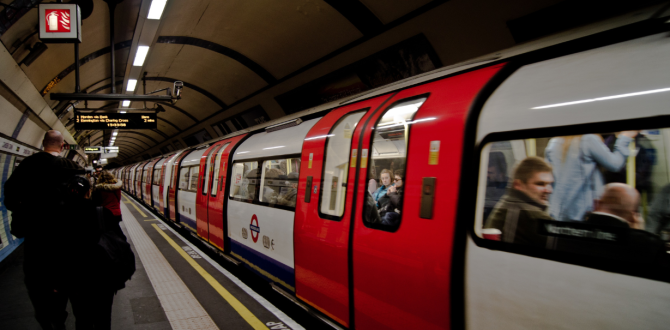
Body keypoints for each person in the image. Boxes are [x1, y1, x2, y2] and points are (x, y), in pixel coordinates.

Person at [4, 130, 83, 330]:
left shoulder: (26, 166)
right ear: (64, 146)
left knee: (38, 284)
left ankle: (50, 322)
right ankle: (63, 314)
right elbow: (84, 206)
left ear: (42, 143)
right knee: (67, 282)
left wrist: (28, 210)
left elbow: (10, 199)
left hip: (36, 241)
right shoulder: (72, 168)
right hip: (68, 242)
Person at [57, 176, 124, 330]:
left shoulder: (58, 216)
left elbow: (54, 251)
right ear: (88, 192)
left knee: (82, 317)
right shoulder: (102, 213)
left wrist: (56, 281)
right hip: (103, 277)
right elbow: (121, 243)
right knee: (103, 319)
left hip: (75, 279)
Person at [545, 132, 636, 221]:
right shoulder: (588, 139)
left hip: (556, 212)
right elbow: (615, 164)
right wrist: (625, 137)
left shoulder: (553, 142)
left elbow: (549, 179)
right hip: (582, 214)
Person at [583, 183, 666, 263]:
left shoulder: (573, 230)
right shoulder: (649, 246)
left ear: (596, 204)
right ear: (633, 216)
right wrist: (639, 233)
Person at [484, 157, 554, 246]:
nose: (549, 190)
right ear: (518, 185)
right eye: (540, 184)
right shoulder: (532, 217)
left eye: (550, 184)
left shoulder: (507, 202)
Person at [92, 170, 124, 238]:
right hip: (116, 212)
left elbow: (97, 202)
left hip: (104, 213)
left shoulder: (99, 189)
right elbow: (118, 199)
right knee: (116, 230)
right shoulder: (117, 187)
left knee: (107, 231)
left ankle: (110, 245)